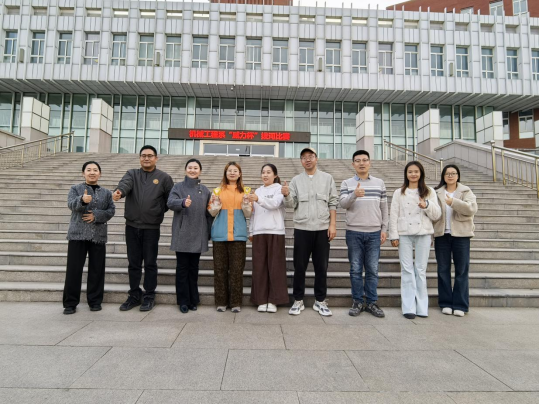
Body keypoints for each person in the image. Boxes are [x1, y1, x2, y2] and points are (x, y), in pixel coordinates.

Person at [113, 145, 174, 312]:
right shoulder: (132, 174)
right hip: (132, 226)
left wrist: (157, 211)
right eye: (143, 155)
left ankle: (149, 296)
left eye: (150, 155)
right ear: (140, 158)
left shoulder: (164, 178)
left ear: (156, 158)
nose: (146, 158)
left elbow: (170, 200)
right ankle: (134, 295)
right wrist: (119, 192)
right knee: (133, 263)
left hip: (151, 228)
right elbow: (124, 185)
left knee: (150, 263)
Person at [282, 147, 338, 317]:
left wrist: (332, 225)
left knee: (322, 267)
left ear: (316, 158)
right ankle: (298, 300)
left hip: (322, 229)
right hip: (302, 229)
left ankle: (320, 301)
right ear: (301, 161)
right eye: (304, 157)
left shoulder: (327, 178)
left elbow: (333, 202)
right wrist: (286, 195)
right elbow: (291, 204)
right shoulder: (296, 180)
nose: (307, 159)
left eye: (310, 156)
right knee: (299, 266)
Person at [389, 161, 441, 319]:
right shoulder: (399, 192)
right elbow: (394, 214)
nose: (413, 174)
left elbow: (437, 215)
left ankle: (422, 307)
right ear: (406, 174)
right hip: (404, 232)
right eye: (410, 171)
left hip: (424, 232)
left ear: (421, 173)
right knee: (406, 269)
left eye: (416, 171)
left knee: (420, 270)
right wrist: (394, 235)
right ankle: (408, 307)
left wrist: (426, 205)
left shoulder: (429, 191)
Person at [339, 150, 388, 318]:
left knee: (373, 270)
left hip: (374, 232)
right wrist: (354, 195)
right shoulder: (347, 183)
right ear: (353, 164)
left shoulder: (379, 183)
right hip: (354, 232)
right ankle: (358, 301)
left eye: (365, 160)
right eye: (358, 160)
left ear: (369, 162)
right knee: (355, 269)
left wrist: (384, 229)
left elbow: (384, 208)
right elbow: (343, 204)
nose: (361, 163)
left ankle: (372, 302)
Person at [63, 161, 115, 315]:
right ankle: (70, 303)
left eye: (95, 170)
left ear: (100, 173)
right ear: (83, 173)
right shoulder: (75, 189)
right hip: (77, 234)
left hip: (98, 235)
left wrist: (96, 215)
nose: (92, 172)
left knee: (97, 270)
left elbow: (111, 210)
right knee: (74, 270)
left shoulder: (106, 193)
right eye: (89, 170)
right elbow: (70, 205)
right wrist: (81, 200)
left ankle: (95, 301)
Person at [167, 158, 213, 314]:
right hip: (182, 233)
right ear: (185, 169)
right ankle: (183, 301)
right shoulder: (178, 187)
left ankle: (194, 299)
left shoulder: (205, 190)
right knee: (182, 269)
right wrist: (182, 203)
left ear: (200, 171)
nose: (193, 170)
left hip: (198, 234)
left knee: (194, 269)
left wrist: (209, 232)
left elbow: (209, 213)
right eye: (190, 167)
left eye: (196, 168)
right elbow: (170, 202)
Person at [434, 164, 478, 317]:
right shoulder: (437, 192)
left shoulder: (466, 191)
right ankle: (446, 303)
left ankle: (460, 304)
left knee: (462, 270)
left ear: (458, 176)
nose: (450, 176)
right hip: (442, 235)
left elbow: (471, 209)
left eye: (453, 173)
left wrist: (453, 202)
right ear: (443, 176)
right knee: (442, 269)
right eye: (447, 174)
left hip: (461, 235)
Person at [208, 162, 252, 313]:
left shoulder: (245, 192)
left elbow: (248, 213)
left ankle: (235, 302)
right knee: (220, 270)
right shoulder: (218, 191)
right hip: (220, 235)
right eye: (229, 171)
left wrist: (246, 204)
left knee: (236, 271)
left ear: (240, 174)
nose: (232, 173)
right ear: (225, 173)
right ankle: (221, 302)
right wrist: (216, 205)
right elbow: (211, 212)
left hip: (238, 235)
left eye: (235, 171)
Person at [248, 164, 289, 313]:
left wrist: (258, 199)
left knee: (275, 267)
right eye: (263, 172)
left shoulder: (279, 189)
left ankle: (273, 300)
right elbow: (253, 213)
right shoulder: (258, 190)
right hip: (259, 232)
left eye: (268, 172)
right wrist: (251, 231)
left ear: (275, 175)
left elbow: (274, 204)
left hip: (275, 232)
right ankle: (261, 299)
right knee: (259, 267)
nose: (265, 175)